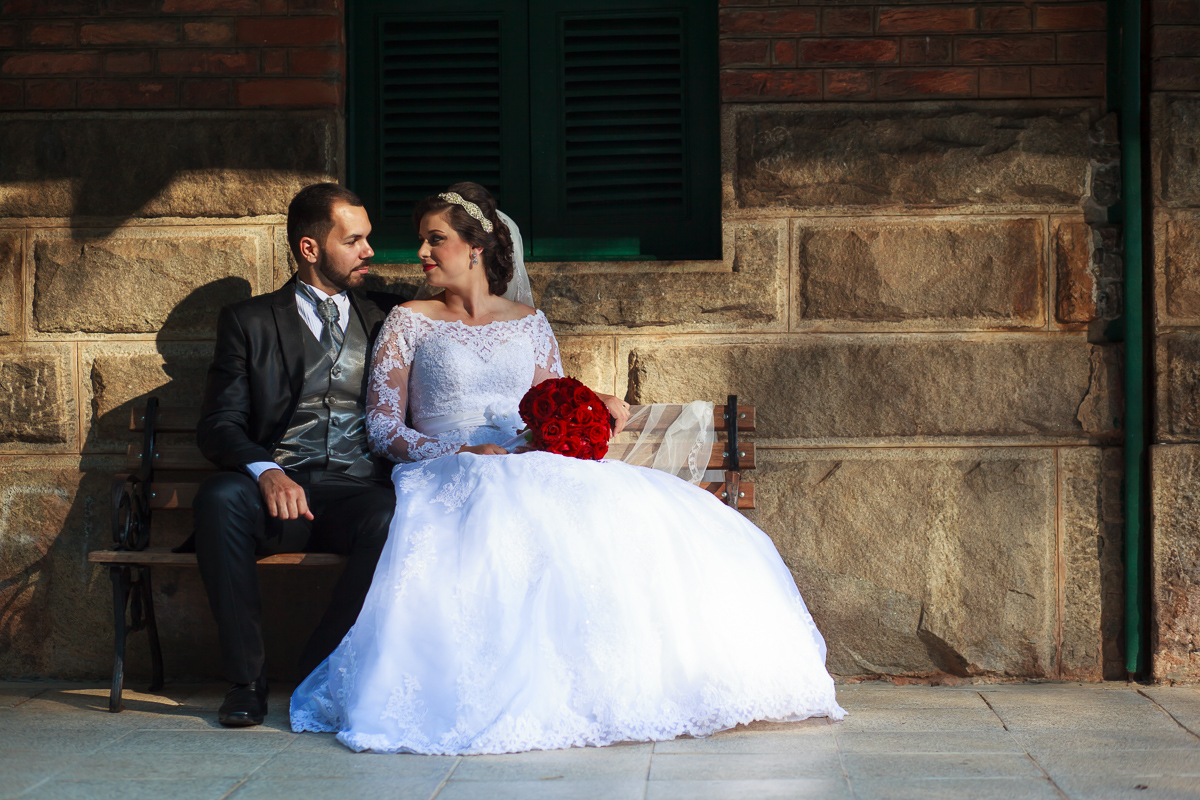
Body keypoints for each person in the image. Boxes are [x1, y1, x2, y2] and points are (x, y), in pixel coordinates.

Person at [290, 182, 844, 753]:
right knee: (498, 509)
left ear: (475, 247)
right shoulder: (409, 322)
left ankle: (622, 682)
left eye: (436, 240)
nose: (422, 253)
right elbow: (384, 430)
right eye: (422, 241)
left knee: (614, 517)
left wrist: (587, 408)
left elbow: (549, 405)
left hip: (526, 462)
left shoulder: (530, 322)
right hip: (447, 472)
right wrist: (458, 452)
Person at [194, 183, 396, 727]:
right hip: (279, 500)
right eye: (353, 241)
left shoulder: (389, 315)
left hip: (358, 493)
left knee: (394, 517)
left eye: (367, 238)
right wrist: (266, 471)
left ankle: (317, 671)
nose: (368, 251)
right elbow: (218, 425)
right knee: (220, 497)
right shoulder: (249, 321)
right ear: (310, 248)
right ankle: (246, 681)